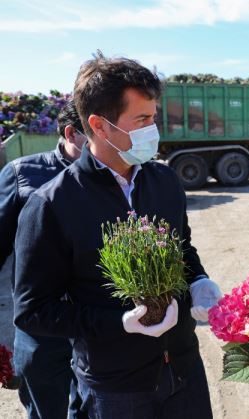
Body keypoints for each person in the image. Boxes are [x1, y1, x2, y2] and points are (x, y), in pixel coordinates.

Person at [13, 53, 221, 419]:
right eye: (142, 120)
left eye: (153, 117)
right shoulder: (52, 205)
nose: (153, 130)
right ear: (100, 124)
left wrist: (199, 280)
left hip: (183, 371)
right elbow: (33, 312)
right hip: (115, 387)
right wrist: (118, 324)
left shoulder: (165, 182)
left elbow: (182, 248)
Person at [0, 100, 87, 419]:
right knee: (44, 410)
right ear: (72, 134)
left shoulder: (110, 178)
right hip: (41, 329)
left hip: (94, 323)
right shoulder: (23, 174)